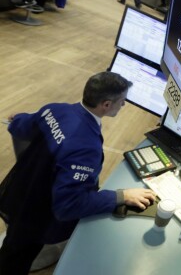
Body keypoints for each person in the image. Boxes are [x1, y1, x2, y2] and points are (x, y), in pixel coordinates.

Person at [0, 72, 156, 275]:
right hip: (35, 216)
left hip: (20, 192)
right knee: (16, 260)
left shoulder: (55, 109)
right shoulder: (85, 148)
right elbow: (69, 205)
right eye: (122, 101)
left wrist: (18, 117)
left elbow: (21, 126)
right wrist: (122, 196)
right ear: (106, 105)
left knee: (12, 248)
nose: (123, 105)